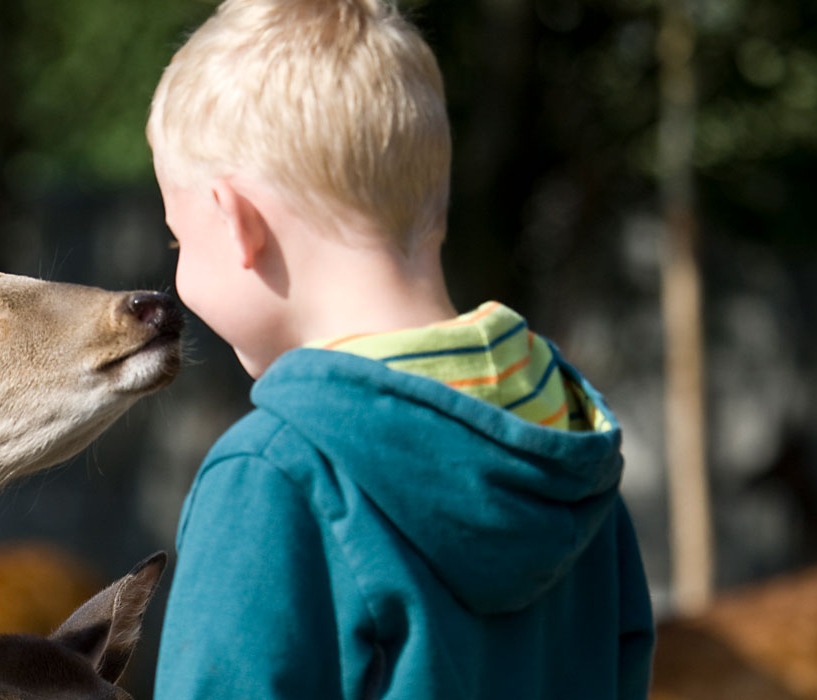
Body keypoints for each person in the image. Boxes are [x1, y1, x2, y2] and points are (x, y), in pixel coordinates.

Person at [145, 0, 654, 698]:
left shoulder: (273, 474)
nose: (177, 263)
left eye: (179, 237)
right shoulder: (569, 453)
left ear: (237, 224)